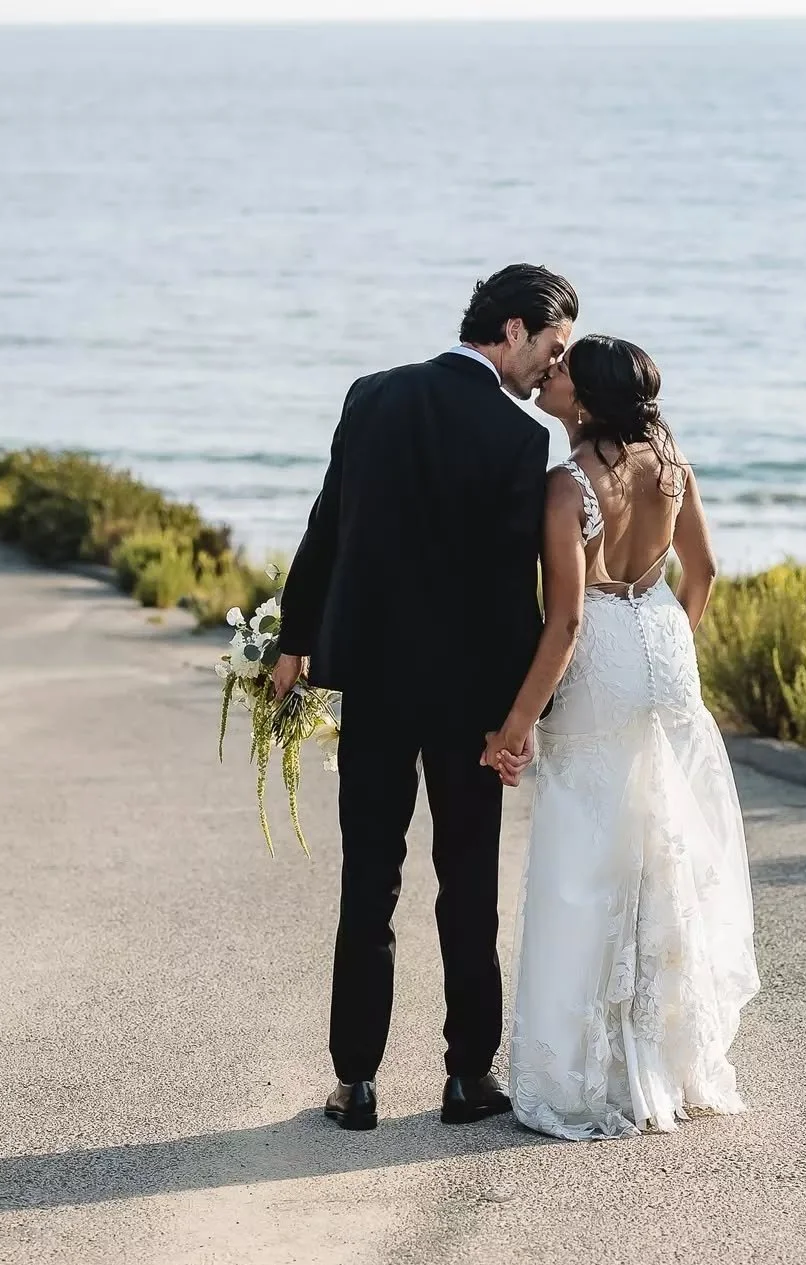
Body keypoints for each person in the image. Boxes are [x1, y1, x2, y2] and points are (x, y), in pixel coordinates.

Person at [273, 264, 578, 1130]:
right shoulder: (521, 441)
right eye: (549, 349)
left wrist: (295, 643)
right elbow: (508, 596)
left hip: (373, 684)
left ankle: (357, 1083)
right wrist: (519, 715)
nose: (547, 370)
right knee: (467, 887)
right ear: (513, 330)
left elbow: (326, 525)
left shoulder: (371, 396)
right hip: (469, 702)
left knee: (367, 882)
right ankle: (466, 1078)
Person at [483, 335, 760, 1140]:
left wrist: (515, 725)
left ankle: (582, 1077)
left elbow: (566, 619)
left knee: (585, 858)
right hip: (665, 648)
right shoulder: (671, 463)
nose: (552, 374)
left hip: (601, 652)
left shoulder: (568, 486)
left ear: (590, 398)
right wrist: (667, 646)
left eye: (565, 371)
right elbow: (701, 571)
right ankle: (669, 1062)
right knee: (662, 847)